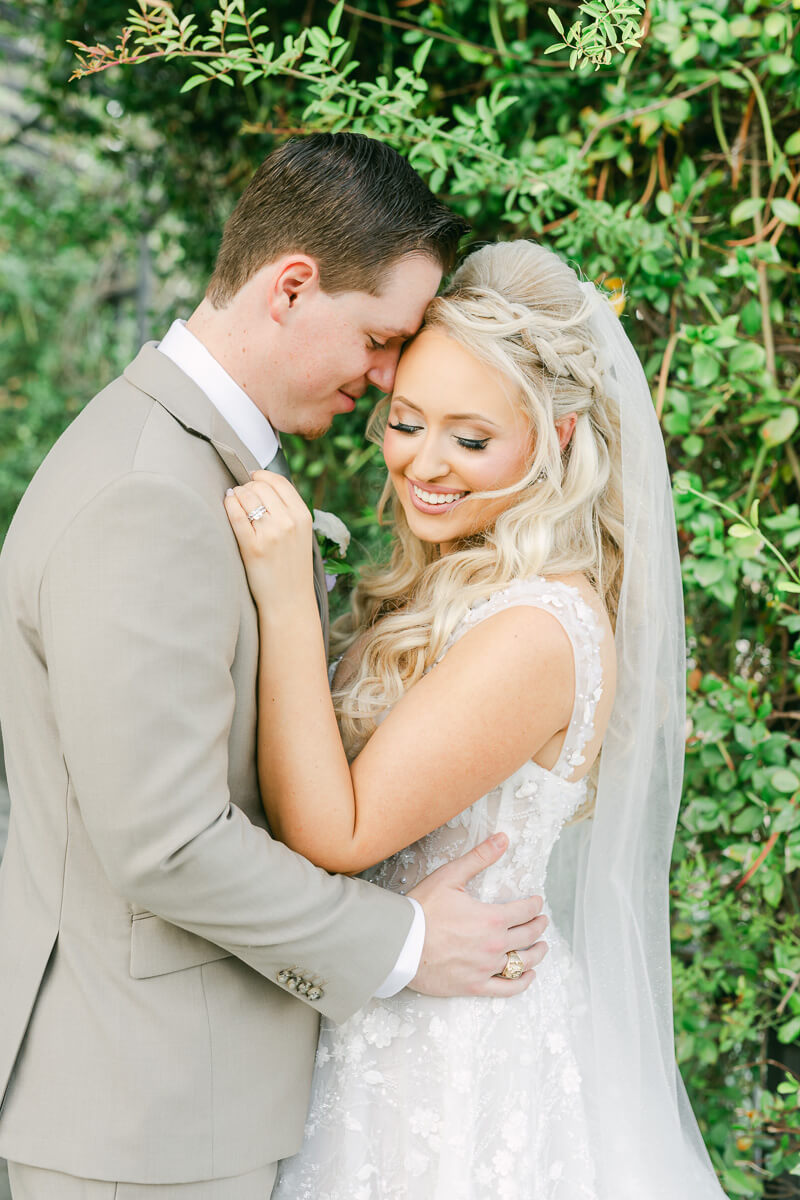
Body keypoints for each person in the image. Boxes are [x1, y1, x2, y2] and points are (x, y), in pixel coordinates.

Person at [0, 136, 551, 1200]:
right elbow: (165, 842)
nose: (388, 374)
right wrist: (399, 944)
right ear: (291, 286)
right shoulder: (147, 496)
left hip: (175, 1096)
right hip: (145, 1116)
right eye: (381, 339)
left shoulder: (178, 458)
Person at [226, 239, 730, 1199]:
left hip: (451, 1056)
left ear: (560, 435)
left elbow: (339, 833)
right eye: (406, 421)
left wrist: (290, 604)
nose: (424, 463)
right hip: (392, 1013)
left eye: (470, 439)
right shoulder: (465, 583)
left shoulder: (537, 629)